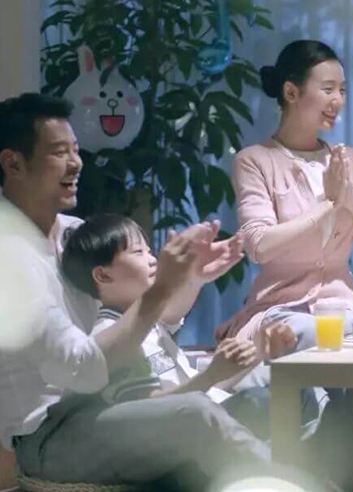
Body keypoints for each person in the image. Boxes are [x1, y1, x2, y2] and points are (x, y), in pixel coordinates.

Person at [0, 93, 286, 490]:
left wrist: (191, 276)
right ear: (13, 163)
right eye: (59, 152)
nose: (76, 162)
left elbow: (153, 321)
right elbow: (82, 368)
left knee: (262, 403)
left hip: (112, 406)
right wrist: (162, 286)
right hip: (53, 434)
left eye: (76, 150)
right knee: (194, 414)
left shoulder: (73, 234)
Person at [214, 40, 353, 351]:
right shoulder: (254, 160)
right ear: (291, 92)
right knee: (308, 333)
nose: (338, 100)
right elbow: (259, 246)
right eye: (328, 89)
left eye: (342, 90)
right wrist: (328, 205)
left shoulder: (348, 161)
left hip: (344, 309)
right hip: (280, 310)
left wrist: (351, 202)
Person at [60, 213, 317, 440]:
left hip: (210, 412)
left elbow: (175, 315)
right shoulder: (110, 339)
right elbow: (148, 412)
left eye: (149, 251)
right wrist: (211, 375)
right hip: (186, 435)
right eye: (138, 252)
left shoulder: (151, 324)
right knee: (261, 402)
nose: (152, 260)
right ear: (103, 275)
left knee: (297, 389)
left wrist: (258, 349)